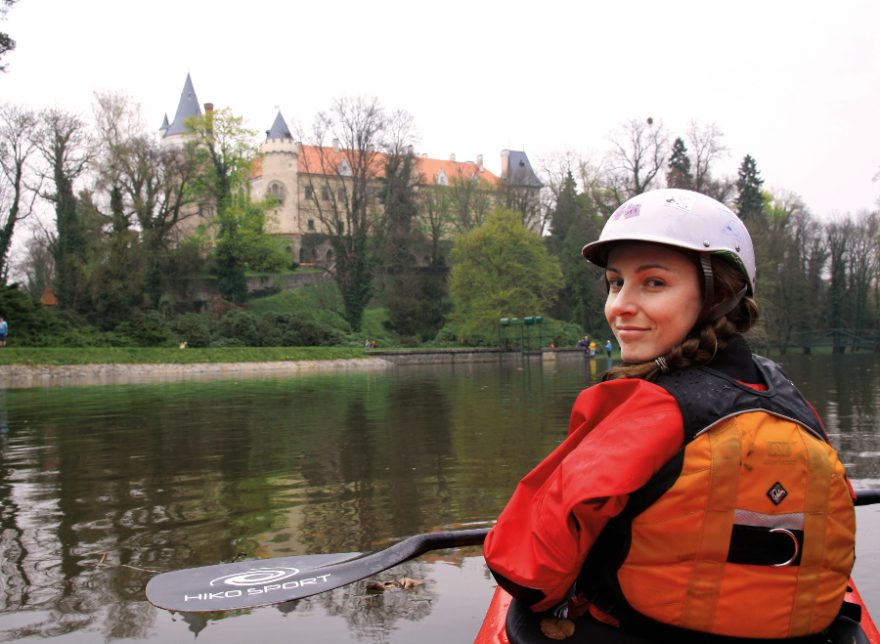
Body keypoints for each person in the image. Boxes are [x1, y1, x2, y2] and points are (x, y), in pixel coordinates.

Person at [483, 189, 856, 642]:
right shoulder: (789, 397)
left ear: (718, 294)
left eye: (653, 283)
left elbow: (527, 570)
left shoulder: (645, 407)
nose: (619, 305)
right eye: (616, 283)